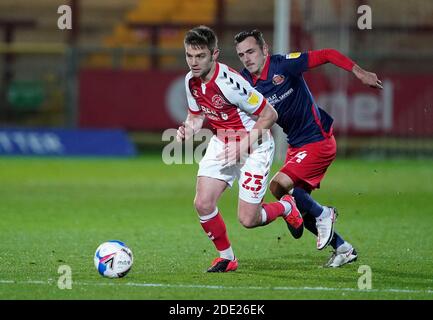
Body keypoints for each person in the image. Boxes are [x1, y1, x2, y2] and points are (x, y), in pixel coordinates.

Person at [234, 29, 383, 267]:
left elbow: (327, 54)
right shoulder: (243, 82)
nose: (247, 58)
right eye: (241, 55)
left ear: (265, 50)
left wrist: (359, 71)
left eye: (251, 51)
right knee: (299, 205)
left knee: (280, 185)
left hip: (318, 139)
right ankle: (343, 248)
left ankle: (325, 213)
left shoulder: (283, 65)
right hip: (297, 145)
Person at [176, 26, 304, 273]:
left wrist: (242, 146)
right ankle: (227, 257)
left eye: (200, 56)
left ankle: (287, 206)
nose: (193, 62)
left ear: (214, 55)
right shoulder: (190, 80)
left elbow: (270, 114)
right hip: (222, 142)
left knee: (248, 219)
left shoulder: (231, 83)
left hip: (254, 145)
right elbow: (195, 116)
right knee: (203, 203)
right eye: (189, 56)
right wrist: (187, 129)